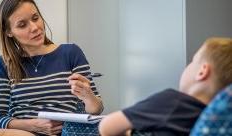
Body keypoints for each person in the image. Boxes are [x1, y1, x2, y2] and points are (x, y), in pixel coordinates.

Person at [0, 0, 103, 136]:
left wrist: (87, 95)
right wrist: (33, 126)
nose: (35, 27)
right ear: (9, 32)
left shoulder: (71, 53)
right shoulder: (5, 63)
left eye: (35, 18)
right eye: (22, 25)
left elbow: (97, 109)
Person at [99, 37, 232, 136]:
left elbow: (106, 127)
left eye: (192, 61)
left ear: (202, 72)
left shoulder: (172, 102)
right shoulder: (221, 122)